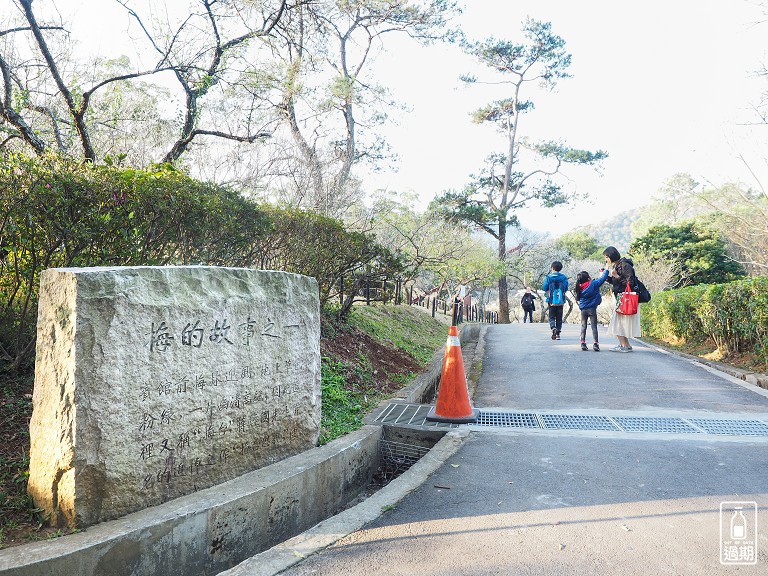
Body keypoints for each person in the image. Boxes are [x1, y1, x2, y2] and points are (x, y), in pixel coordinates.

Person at [603, 245, 641, 352]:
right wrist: (608, 278)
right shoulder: (617, 266)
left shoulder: (625, 265)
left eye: (606, 257)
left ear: (610, 256)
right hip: (621, 297)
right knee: (619, 323)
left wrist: (616, 277)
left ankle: (624, 346)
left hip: (625, 298)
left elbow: (630, 283)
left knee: (618, 323)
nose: (606, 260)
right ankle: (625, 345)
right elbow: (618, 282)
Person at [573, 269, 609, 351]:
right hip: (592, 309)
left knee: (583, 326)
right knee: (594, 326)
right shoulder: (594, 284)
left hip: (583, 310)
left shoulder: (579, 287)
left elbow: (578, 298)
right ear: (588, 278)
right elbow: (602, 279)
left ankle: (582, 342)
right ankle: (595, 343)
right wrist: (606, 270)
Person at [541, 261, 569, 340]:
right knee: (559, 318)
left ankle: (553, 328)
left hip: (551, 300)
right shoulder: (564, 277)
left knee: (552, 316)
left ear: (552, 268)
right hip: (560, 300)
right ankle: (558, 334)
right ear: (560, 268)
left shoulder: (549, 277)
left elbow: (544, 288)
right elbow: (566, 288)